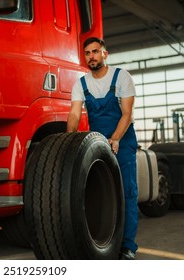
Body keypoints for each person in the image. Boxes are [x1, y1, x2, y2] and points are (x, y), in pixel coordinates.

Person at [67, 37, 138, 260]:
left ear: (104, 54)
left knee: (127, 192)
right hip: (97, 144)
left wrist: (116, 139)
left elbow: (127, 114)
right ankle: (105, 241)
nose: (92, 57)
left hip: (122, 142)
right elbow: (75, 114)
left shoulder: (121, 77)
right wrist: (69, 140)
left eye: (95, 52)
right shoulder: (81, 83)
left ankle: (127, 246)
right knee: (102, 193)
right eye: (87, 53)